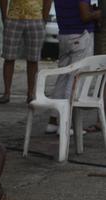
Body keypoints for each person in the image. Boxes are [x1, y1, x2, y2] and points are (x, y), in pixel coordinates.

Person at [47, 0, 102, 134]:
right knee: (75, 80)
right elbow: (84, 16)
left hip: (64, 35)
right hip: (80, 36)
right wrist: (96, 14)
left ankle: (53, 121)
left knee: (63, 78)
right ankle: (66, 125)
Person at [0, 0, 52, 104]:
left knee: (33, 59)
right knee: (9, 57)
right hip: (13, 17)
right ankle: (6, 93)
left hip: (36, 19)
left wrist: (43, 19)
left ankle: (30, 94)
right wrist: (5, 16)